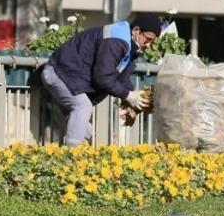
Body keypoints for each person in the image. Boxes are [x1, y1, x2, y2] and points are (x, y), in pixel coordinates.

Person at [41, 14, 163, 147]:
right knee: (82, 107)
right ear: (136, 30)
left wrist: (131, 102)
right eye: (148, 39)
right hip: (59, 73)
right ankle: (71, 158)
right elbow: (103, 78)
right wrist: (128, 95)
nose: (149, 45)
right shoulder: (116, 41)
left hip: (67, 75)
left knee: (90, 132)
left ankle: (87, 156)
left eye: (152, 41)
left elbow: (121, 78)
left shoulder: (128, 43)